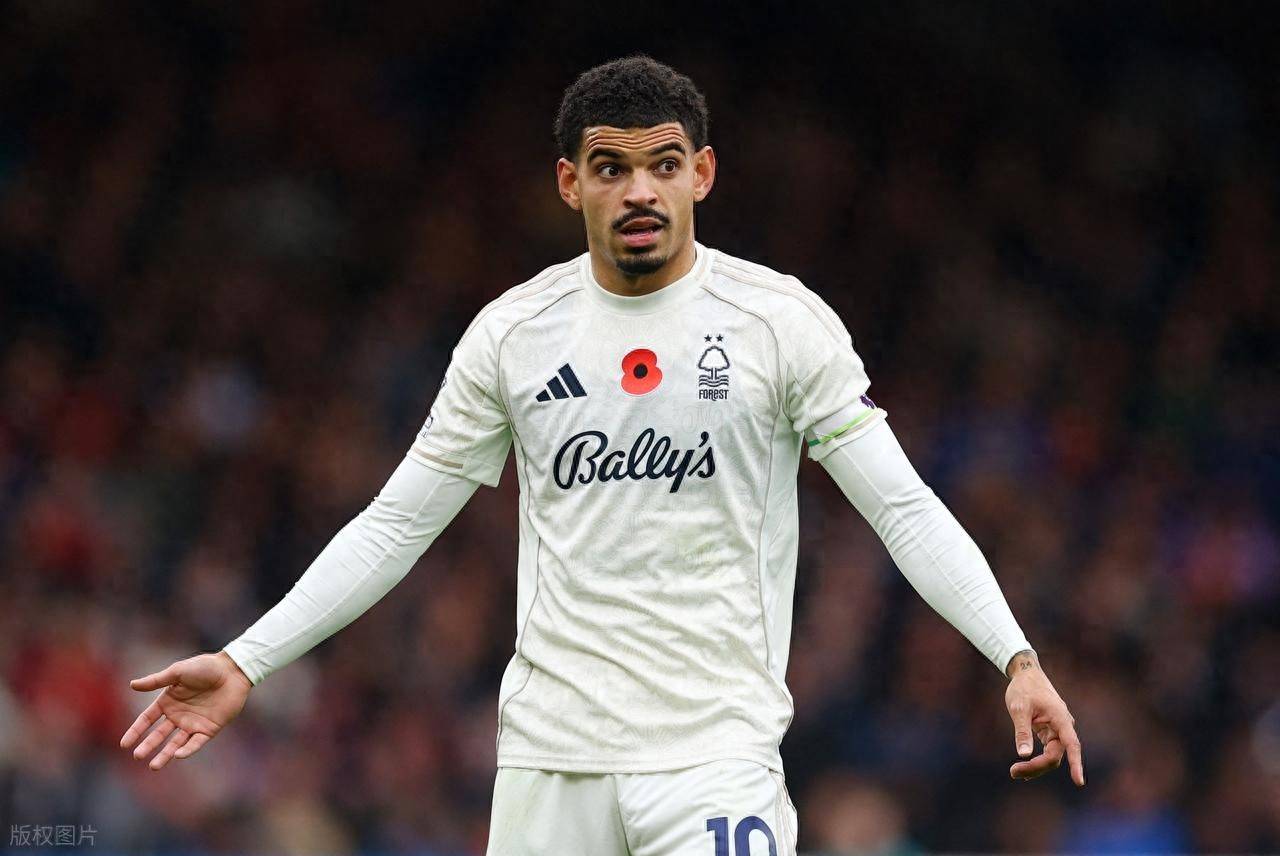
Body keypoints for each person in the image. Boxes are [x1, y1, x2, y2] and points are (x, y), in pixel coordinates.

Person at [120, 55, 1084, 855]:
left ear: (702, 174)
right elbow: (396, 524)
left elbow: (902, 506)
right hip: (551, 765)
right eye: (611, 167)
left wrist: (1015, 655)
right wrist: (248, 661)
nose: (640, 191)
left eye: (663, 164)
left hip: (714, 758)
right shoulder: (513, 335)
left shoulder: (779, 324)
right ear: (569, 183)